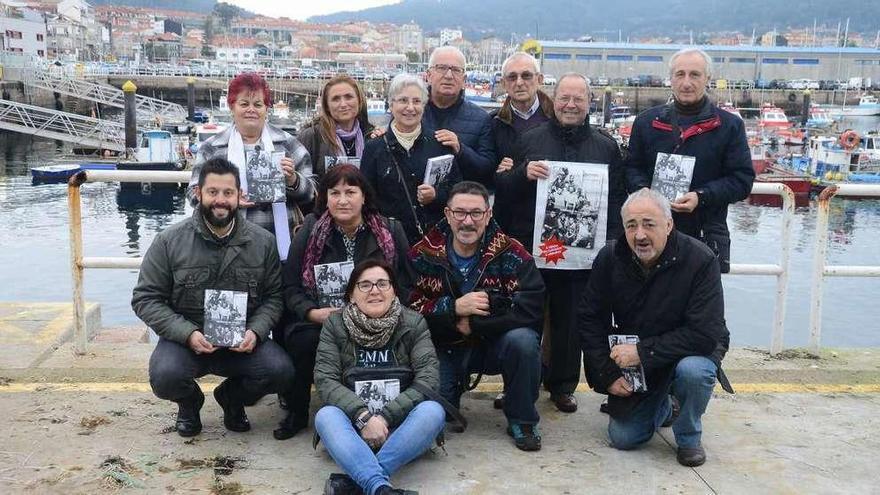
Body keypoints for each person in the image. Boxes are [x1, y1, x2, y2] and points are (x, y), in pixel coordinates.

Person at [132, 157, 294, 437]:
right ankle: (189, 403)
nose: (221, 200)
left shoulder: (263, 242)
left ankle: (232, 398)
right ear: (198, 194)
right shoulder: (169, 241)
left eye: (228, 193)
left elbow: (274, 298)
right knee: (164, 377)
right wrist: (187, 333)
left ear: (240, 196)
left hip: (241, 344)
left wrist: (255, 332)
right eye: (213, 192)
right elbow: (145, 298)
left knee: (281, 371)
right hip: (187, 342)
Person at [495, 73, 626, 414]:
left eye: (578, 99)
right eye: (564, 98)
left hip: (582, 254)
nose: (570, 105)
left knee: (571, 323)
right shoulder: (528, 140)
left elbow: (615, 202)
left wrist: (608, 243)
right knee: (525, 321)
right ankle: (517, 386)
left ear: (588, 102)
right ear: (554, 99)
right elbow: (504, 191)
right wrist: (522, 173)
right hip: (532, 249)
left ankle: (563, 386)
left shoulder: (606, 146)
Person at [579, 188, 731, 467]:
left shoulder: (701, 259)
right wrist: (608, 374)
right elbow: (590, 319)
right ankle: (665, 404)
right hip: (641, 352)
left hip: (692, 349)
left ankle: (688, 437)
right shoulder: (610, 257)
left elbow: (705, 334)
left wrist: (641, 351)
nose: (640, 235)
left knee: (693, 372)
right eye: (631, 225)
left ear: (669, 224)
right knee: (623, 438)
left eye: (649, 224)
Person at [276, 164, 413, 440]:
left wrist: (380, 310)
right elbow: (289, 286)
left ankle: (386, 412)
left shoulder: (390, 230)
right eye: (334, 192)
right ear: (325, 197)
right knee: (303, 340)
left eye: (350, 191)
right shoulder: (311, 230)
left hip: (380, 318)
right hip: (325, 319)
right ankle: (297, 411)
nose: (342, 200)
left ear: (364, 196)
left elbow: (408, 285)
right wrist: (312, 312)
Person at [408, 181, 545, 451]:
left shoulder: (511, 252)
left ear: (488, 214)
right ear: (447, 214)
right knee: (439, 414)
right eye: (460, 213)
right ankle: (452, 390)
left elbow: (532, 306)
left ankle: (523, 419)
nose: (467, 221)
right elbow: (407, 309)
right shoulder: (422, 254)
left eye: (476, 213)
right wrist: (454, 308)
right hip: (444, 346)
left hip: (494, 345)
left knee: (524, 341)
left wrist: (477, 323)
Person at [314, 259, 443, 495]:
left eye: (383, 283)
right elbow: (325, 380)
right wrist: (363, 417)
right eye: (364, 285)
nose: (375, 290)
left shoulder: (414, 323)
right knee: (325, 415)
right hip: (354, 428)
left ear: (394, 291)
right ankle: (380, 488)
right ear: (351, 295)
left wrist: (383, 418)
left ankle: (360, 485)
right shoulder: (334, 325)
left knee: (433, 411)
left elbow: (429, 379)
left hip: (400, 428)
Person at [624, 48, 755, 274]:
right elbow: (631, 168)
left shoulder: (730, 125)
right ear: (671, 79)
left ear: (708, 79)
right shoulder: (646, 122)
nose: (686, 82)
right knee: (648, 306)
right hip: (651, 235)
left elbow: (742, 180)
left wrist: (701, 196)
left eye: (694, 75)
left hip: (706, 233)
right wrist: (646, 193)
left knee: (701, 307)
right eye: (680, 74)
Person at [187, 72, 315, 262]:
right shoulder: (211, 148)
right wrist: (226, 200)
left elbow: (312, 193)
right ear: (232, 106)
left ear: (266, 108)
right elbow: (193, 194)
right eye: (244, 104)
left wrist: (293, 180)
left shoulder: (288, 144)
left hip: (280, 246)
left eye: (258, 104)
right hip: (226, 248)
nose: (251, 110)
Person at [361, 74, 462, 245]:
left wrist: (436, 196)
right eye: (403, 100)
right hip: (389, 241)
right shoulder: (374, 147)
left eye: (416, 101)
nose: (410, 107)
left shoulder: (439, 144)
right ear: (391, 105)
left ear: (424, 106)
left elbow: (457, 189)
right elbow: (366, 198)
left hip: (432, 241)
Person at [491, 52, 553, 236]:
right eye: (512, 77)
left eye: (526, 75)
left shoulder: (557, 121)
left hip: (547, 222)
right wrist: (499, 170)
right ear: (503, 83)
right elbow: (487, 172)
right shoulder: (493, 123)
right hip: (507, 224)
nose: (519, 82)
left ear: (539, 79)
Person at [422, 46, 496, 185]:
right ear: (428, 75)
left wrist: (461, 149)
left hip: (460, 202)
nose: (449, 75)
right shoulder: (411, 113)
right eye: (442, 68)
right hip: (417, 200)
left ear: (464, 79)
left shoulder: (481, 119)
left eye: (456, 70)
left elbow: (488, 170)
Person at [297, 75, 375, 178]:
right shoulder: (312, 137)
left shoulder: (371, 136)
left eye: (348, 97)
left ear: (359, 101)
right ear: (327, 106)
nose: (343, 104)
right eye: (336, 99)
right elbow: (299, 182)